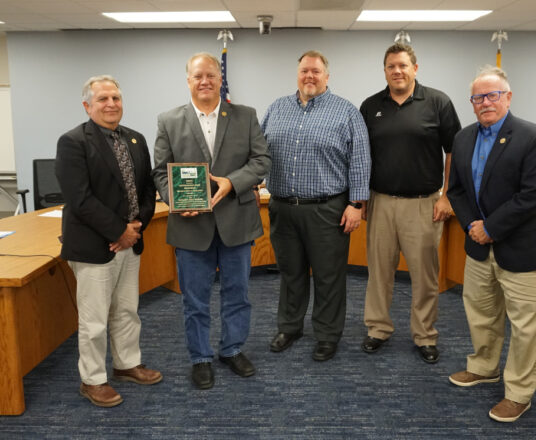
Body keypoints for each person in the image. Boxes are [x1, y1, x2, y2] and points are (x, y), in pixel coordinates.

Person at [152, 53, 270, 390]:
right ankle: (200, 357)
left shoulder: (245, 116)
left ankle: (232, 349)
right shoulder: (169, 120)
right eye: (198, 76)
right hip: (191, 226)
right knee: (195, 298)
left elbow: (262, 160)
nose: (205, 81)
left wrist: (232, 181)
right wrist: (175, 200)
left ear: (220, 79)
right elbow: (161, 171)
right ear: (188, 80)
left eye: (211, 75)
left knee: (238, 293)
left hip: (237, 220)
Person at [447, 66, 536, 422]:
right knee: (481, 314)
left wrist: (491, 228)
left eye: (493, 95)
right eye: (478, 97)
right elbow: (457, 191)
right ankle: (483, 367)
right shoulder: (463, 138)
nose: (485, 102)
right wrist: (472, 228)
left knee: (526, 327)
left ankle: (519, 393)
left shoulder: (534, 138)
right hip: (479, 248)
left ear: (508, 97)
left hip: (524, 250)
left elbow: (532, 196)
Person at [55, 75, 161, 408]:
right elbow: (79, 198)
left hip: (130, 241)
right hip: (93, 246)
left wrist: (136, 226)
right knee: (94, 318)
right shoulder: (73, 142)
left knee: (128, 310)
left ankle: (127, 364)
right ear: (87, 105)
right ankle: (93, 380)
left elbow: (146, 189)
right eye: (102, 99)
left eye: (115, 97)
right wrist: (119, 231)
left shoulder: (135, 139)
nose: (111, 104)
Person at [261, 50, 371, 362]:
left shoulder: (346, 112)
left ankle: (327, 334)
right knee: (290, 273)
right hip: (283, 207)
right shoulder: (276, 109)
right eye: (305, 71)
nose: (310, 76)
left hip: (328, 210)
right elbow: (259, 151)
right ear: (297, 74)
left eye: (316, 71)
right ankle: (290, 326)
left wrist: (356, 204)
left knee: (328, 276)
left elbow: (361, 161)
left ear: (327, 76)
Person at [359, 43, 461, 363]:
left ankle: (425, 335)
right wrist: (360, 199)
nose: (397, 71)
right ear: (385, 70)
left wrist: (448, 194)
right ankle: (378, 328)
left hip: (424, 204)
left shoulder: (438, 102)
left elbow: (454, 151)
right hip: (381, 202)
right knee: (379, 273)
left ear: (415, 68)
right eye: (391, 66)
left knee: (425, 276)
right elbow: (360, 157)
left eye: (403, 65)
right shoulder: (370, 106)